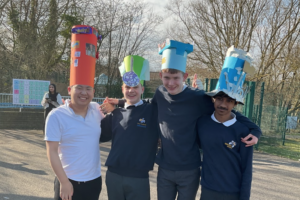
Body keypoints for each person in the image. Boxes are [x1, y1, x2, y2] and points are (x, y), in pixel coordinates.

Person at [107, 40, 261, 200]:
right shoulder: (160, 93)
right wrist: (120, 102)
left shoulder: (198, 97)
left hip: (190, 170)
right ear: (160, 76)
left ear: (184, 76)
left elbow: (225, 109)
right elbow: (145, 104)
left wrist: (256, 130)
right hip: (165, 168)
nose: (171, 83)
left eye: (175, 78)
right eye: (166, 78)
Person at [45, 25, 104, 200]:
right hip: (68, 181)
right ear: (70, 89)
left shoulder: (96, 109)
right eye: (79, 88)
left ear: (93, 92)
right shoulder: (56, 116)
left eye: (88, 89)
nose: (84, 93)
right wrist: (63, 181)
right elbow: (52, 152)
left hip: (94, 182)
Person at [197, 46, 255, 200]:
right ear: (213, 99)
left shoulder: (243, 132)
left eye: (229, 101)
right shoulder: (203, 123)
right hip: (208, 190)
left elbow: (246, 169)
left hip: (232, 193)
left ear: (235, 104)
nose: (223, 104)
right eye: (220, 99)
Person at [100, 55, 159, 200]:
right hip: (113, 175)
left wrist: (120, 101)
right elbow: (99, 135)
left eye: (135, 87)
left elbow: (168, 99)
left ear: (142, 88)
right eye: (127, 87)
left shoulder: (152, 110)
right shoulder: (115, 113)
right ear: (122, 88)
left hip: (139, 178)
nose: (131, 90)